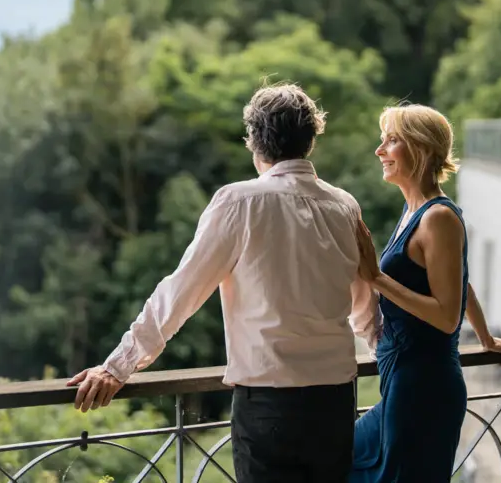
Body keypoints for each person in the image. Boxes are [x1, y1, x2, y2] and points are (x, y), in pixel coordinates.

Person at [65, 83, 381, 483]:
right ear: (310, 140)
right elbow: (365, 308)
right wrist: (390, 361)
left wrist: (117, 367)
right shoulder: (344, 205)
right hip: (336, 402)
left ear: (254, 142)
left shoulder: (239, 202)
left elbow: (180, 293)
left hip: (270, 405)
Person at [351, 104, 501, 483]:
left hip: (424, 387)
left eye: (392, 140)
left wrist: (376, 279)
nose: (379, 150)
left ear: (422, 149)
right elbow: (458, 282)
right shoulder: (414, 211)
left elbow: (446, 315)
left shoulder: (439, 217)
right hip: (403, 380)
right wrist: (486, 338)